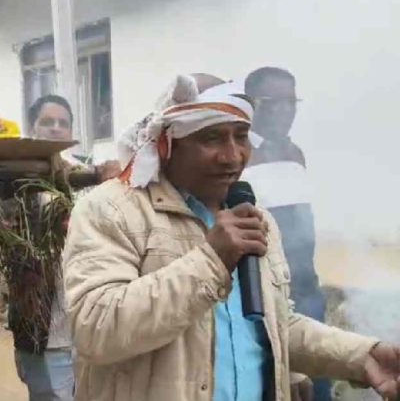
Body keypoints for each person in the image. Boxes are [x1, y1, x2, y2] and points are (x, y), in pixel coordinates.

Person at [62, 73, 400, 401]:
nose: (233, 156)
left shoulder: (255, 218)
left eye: (241, 136)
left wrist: (360, 356)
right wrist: (212, 260)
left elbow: (275, 324)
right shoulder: (111, 209)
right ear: (168, 144)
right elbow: (96, 329)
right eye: (212, 138)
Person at [7, 95, 119, 401]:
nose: (56, 128)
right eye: (47, 122)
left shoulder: (91, 176)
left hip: (91, 329)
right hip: (47, 333)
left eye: (63, 123)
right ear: (32, 128)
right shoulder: (16, 178)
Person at [242, 67, 329, 401]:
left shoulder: (294, 154)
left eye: (291, 102)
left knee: (318, 387)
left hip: (308, 292)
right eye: (272, 102)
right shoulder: (239, 156)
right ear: (251, 103)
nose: (284, 111)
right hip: (267, 298)